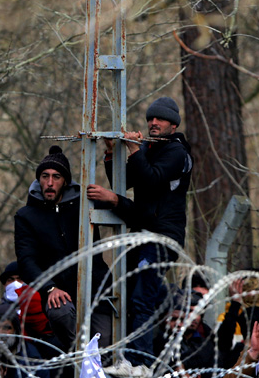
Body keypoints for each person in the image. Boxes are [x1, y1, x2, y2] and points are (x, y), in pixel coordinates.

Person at [87, 96, 192, 377]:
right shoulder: (151, 149)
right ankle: (145, 354)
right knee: (134, 299)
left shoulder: (177, 153)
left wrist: (134, 150)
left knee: (141, 300)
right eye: (150, 119)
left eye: (159, 119)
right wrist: (112, 154)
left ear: (173, 123)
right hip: (141, 235)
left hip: (160, 239)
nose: (152, 123)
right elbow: (125, 181)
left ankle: (141, 364)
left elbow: (150, 180)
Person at [14, 145, 112, 352]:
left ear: (65, 181)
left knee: (104, 350)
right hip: (58, 292)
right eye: (44, 176)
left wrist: (114, 199)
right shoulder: (26, 216)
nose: (49, 183)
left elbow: (127, 213)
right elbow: (26, 261)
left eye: (56, 177)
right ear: (38, 179)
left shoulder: (85, 205)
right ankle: (80, 357)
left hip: (97, 290)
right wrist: (49, 287)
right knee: (61, 314)